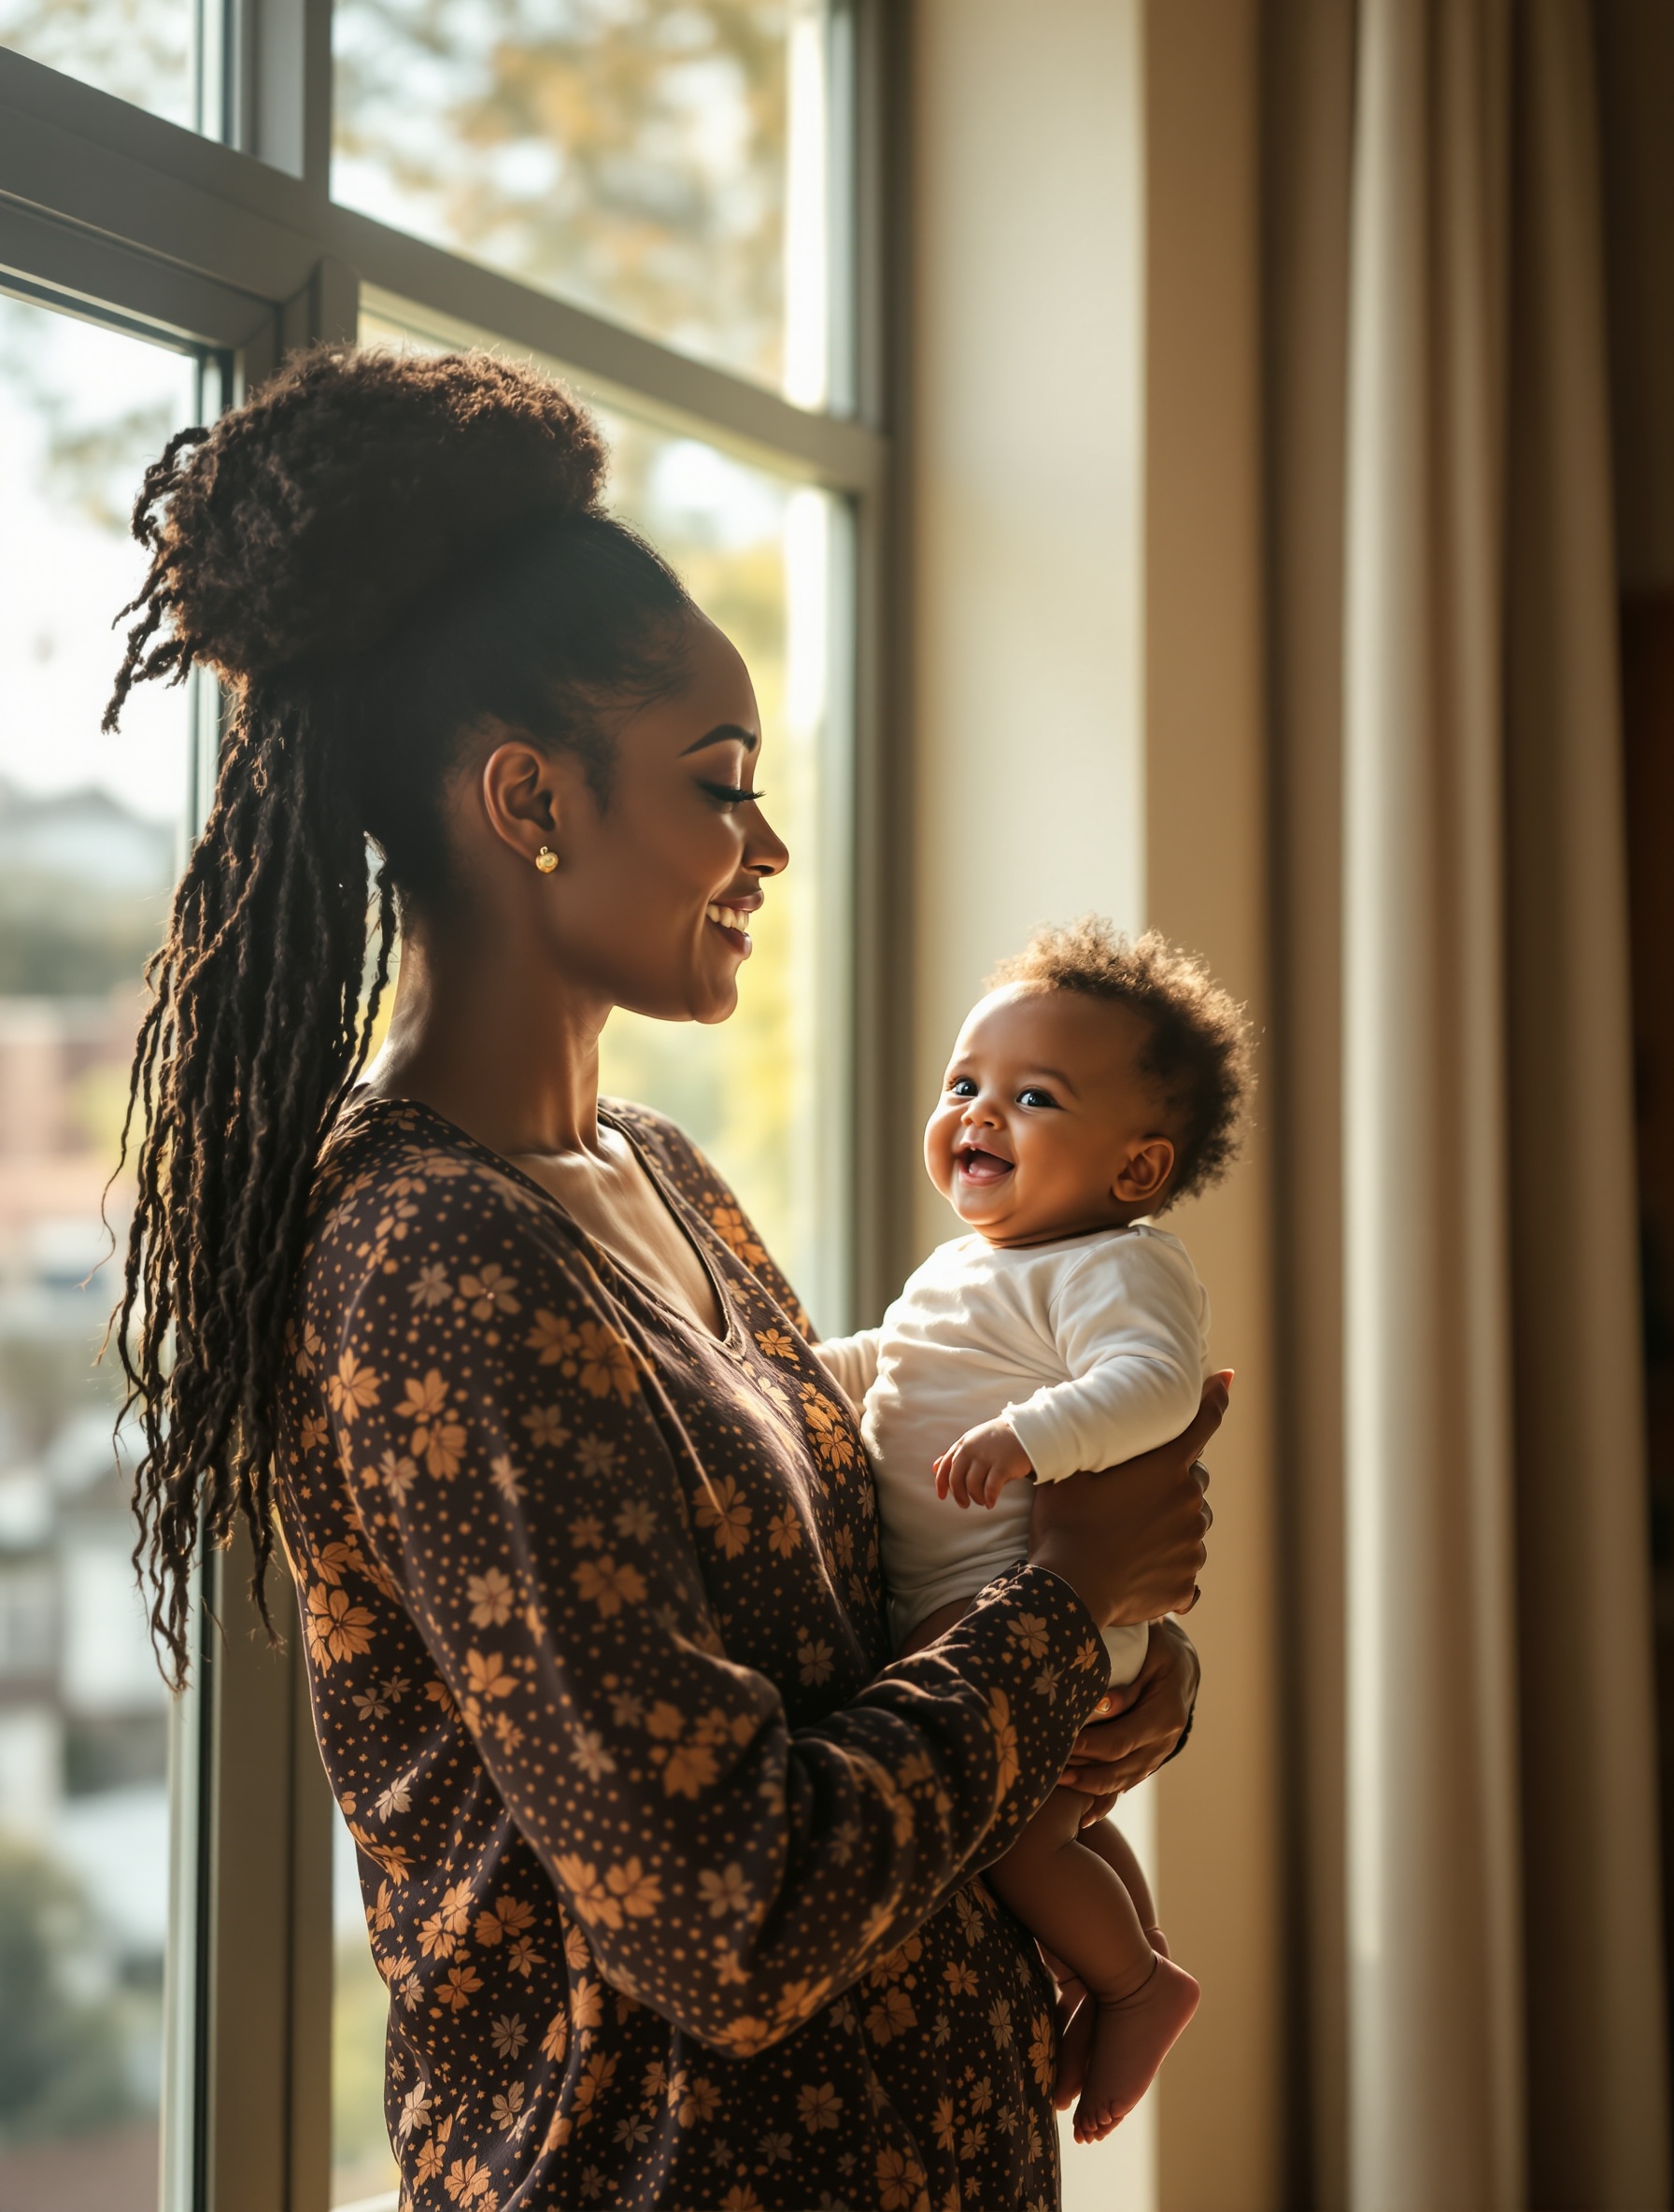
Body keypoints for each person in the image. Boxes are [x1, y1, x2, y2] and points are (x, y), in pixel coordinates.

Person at [106, 345, 1217, 2210]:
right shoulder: (429, 1268)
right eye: (719, 783)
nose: (766, 846)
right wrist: (1060, 1611)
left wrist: (1118, 1674)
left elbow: (859, 1641)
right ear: (527, 797)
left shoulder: (659, 1176)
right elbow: (724, 1910)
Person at [818, 921, 1250, 2142]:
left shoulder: (1118, 1265)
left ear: (1133, 1168)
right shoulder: (967, 1269)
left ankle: (1129, 1980)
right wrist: (794, 1377)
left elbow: (1158, 1386)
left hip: (1023, 1596)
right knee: (1049, 1824)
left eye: (1032, 1096)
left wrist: (1036, 1440)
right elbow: (885, 1364)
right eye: (964, 1084)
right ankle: (1140, 1956)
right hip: (1000, 1598)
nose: (978, 1112)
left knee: (1013, 1834)